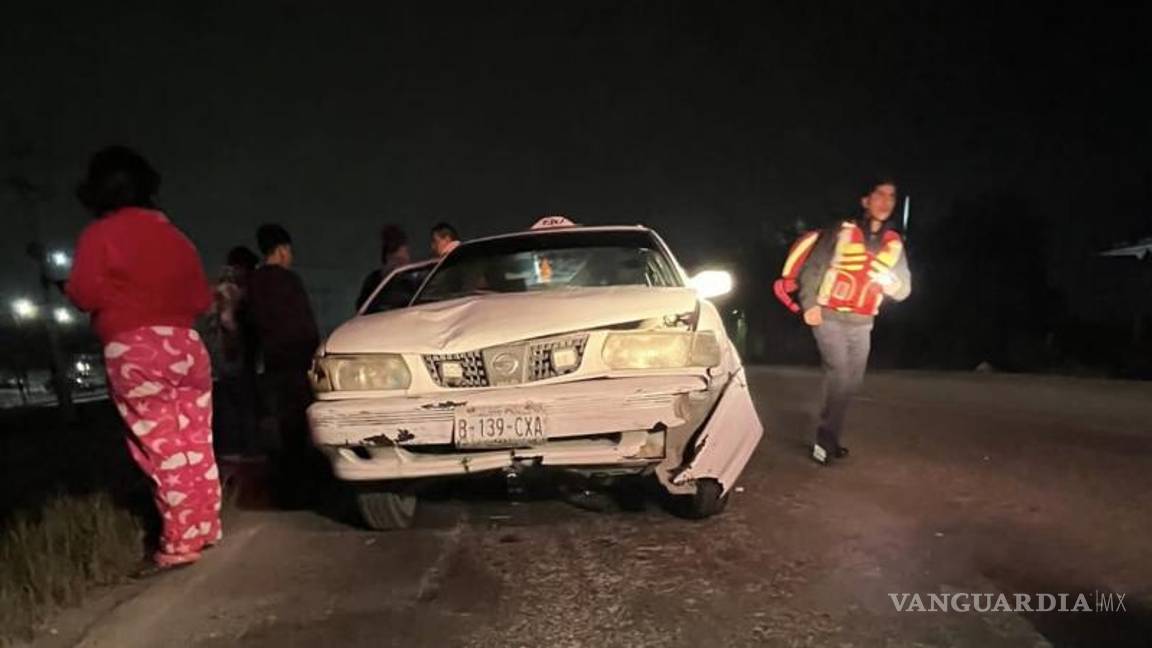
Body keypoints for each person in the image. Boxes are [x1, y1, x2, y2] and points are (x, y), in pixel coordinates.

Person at [66, 146, 220, 571]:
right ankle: (205, 527)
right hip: (187, 348)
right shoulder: (177, 238)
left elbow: (83, 293)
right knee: (195, 442)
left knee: (161, 447)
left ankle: (180, 541)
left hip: (136, 348)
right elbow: (201, 299)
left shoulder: (99, 235)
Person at [774, 178, 912, 466]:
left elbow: (905, 290)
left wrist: (891, 284)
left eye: (891, 197)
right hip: (829, 316)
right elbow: (814, 268)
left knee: (852, 381)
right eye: (879, 195)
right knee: (839, 374)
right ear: (865, 200)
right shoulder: (841, 231)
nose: (885, 201)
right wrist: (809, 304)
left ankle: (831, 435)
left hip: (863, 322)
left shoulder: (893, 243)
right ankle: (824, 442)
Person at [247, 224, 321, 503]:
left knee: (281, 427)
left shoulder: (253, 284)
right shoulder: (290, 281)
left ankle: (285, 487)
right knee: (299, 426)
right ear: (281, 250)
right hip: (297, 361)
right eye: (289, 250)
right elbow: (306, 324)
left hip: (272, 363)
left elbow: (251, 325)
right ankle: (305, 488)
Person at [205, 246, 260, 459]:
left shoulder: (218, 288)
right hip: (233, 353)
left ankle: (232, 450)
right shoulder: (232, 290)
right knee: (242, 403)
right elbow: (228, 321)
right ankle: (245, 451)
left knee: (229, 402)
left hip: (219, 355)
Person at [355, 224, 411, 311]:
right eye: (397, 260)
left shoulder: (410, 280)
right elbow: (362, 307)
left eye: (403, 260)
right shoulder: (374, 279)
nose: (405, 261)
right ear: (388, 258)